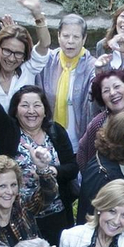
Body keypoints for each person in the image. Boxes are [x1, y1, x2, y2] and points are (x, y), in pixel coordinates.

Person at [0, 84, 79, 243]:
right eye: (25, 106)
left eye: (37, 105)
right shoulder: (9, 133)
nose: (31, 111)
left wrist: (50, 171)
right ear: (16, 111)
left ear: (45, 110)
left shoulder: (56, 131)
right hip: (22, 216)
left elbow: (73, 168)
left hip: (57, 214)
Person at [0, 0, 53, 111]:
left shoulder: (28, 70)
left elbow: (44, 44)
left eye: (18, 53)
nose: (11, 58)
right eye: (7, 51)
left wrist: (37, 14)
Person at [39, 13, 98, 147]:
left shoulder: (92, 66)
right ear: (58, 36)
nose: (70, 41)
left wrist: (100, 72)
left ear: (84, 39)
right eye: (66, 36)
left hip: (79, 140)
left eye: (76, 37)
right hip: (49, 139)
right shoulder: (48, 61)